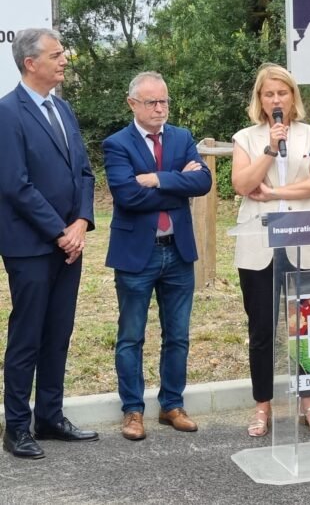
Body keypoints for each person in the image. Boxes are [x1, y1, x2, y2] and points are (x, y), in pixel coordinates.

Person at [0, 28, 98, 459]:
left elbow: (84, 173)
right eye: (56, 55)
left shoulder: (64, 109)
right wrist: (60, 232)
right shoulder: (7, 113)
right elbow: (15, 186)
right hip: (31, 247)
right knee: (28, 336)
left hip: (68, 243)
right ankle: (17, 426)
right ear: (30, 63)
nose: (64, 61)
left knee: (58, 333)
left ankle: (51, 417)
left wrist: (80, 222)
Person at [103, 71, 212, 441]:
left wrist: (155, 179)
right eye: (152, 102)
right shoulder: (117, 144)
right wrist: (176, 181)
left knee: (178, 335)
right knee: (131, 336)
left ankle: (172, 405)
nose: (160, 108)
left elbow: (203, 182)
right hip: (137, 255)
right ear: (132, 103)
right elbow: (127, 197)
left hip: (178, 253)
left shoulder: (181, 137)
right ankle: (133, 411)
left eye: (164, 100)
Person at [231, 64, 310, 437]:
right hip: (260, 246)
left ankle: (309, 401)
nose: (276, 100)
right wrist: (271, 150)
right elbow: (242, 184)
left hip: (307, 242)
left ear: (293, 98)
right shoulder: (246, 138)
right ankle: (262, 405)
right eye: (269, 94)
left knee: (309, 327)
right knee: (262, 330)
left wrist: (274, 193)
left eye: (283, 93)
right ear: (260, 100)